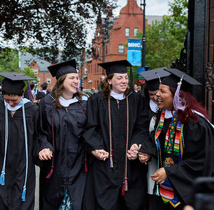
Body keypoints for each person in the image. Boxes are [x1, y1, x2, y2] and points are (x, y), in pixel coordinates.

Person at [139, 68, 214, 210]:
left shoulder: (193, 123)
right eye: (157, 91)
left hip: (185, 194)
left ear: (177, 95)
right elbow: (157, 138)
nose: (157, 95)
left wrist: (170, 171)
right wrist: (147, 151)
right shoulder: (164, 117)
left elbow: (202, 160)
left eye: (162, 91)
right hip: (164, 190)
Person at [82, 60, 150, 210]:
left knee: (133, 203)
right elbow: (90, 128)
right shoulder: (97, 100)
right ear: (109, 80)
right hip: (105, 165)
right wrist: (96, 148)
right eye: (119, 78)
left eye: (126, 77)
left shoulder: (136, 100)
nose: (124, 81)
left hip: (130, 166)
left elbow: (142, 127)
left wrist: (136, 144)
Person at [0, 72, 39, 210]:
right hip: (2, 165)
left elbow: (38, 136)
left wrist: (43, 149)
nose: (10, 104)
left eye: (14, 100)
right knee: (0, 201)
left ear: (22, 93)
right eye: (7, 100)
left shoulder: (32, 110)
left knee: (21, 202)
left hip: (23, 166)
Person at [37, 60, 88, 210]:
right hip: (54, 166)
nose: (76, 81)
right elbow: (40, 132)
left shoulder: (84, 104)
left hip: (78, 165)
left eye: (77, 78)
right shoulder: (46, 104)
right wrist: (44, 146)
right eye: (71, 78)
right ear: (61, 81)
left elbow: (90, 131)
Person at [140, 67, 171, 210]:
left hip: (165, 154)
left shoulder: (168, 111)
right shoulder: (142, 104)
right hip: (148, 153)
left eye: (159, 93)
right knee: (150, 186)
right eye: (152, 94)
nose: (155, 96)